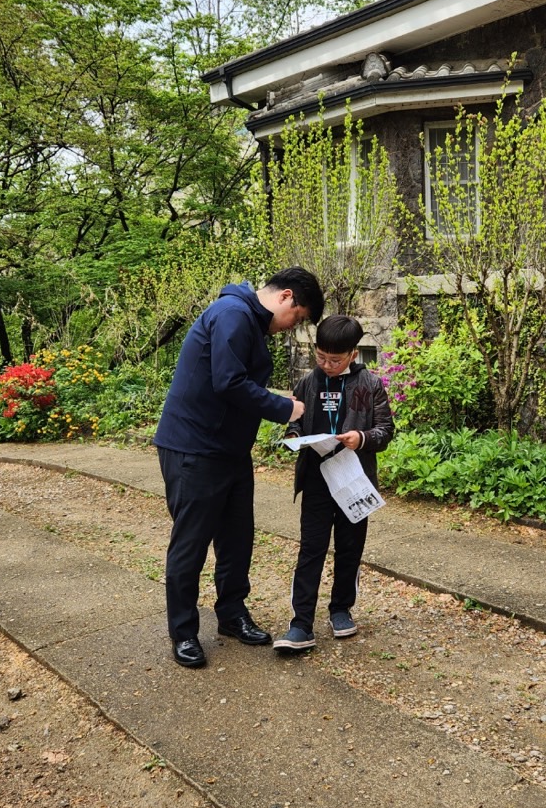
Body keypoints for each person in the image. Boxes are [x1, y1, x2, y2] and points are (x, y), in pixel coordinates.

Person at [153, 267, 324, 668]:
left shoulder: (248, 320)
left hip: (229, 450)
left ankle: (232, 614)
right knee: (191, 543)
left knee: (236, 538)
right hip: (194, 449)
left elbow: (237, 385)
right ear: (286, 296)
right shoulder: (232, 313)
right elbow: (228, 382)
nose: (292, 326)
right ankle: (184, 632)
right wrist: (284, 407)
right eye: (297, 317)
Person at [274, 316, 394, 653]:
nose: (326, 365)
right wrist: (294, 436)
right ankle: (301, 624)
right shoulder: (308, 382)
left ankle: (341, 609)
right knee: (311, 549)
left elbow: (385, 431)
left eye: (335, 360)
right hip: (316, 479)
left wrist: (362, 437)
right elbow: (294, 423)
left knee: (349, 547)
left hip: (354, 479)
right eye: (321, 357)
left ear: (353, 354)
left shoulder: (370, 384)